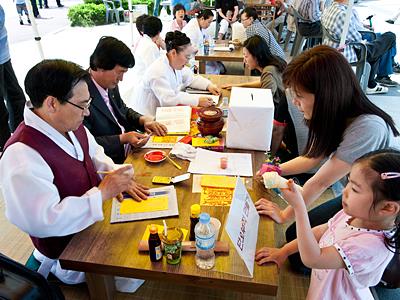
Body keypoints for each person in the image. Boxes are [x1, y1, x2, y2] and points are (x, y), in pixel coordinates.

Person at [0, 59, 149, 287]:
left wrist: (115, 174)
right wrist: (101, 194)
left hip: (92, 223)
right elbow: (45, 221)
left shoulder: (67, 123)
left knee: (147, 231)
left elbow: (95, 155)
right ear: (52, 104)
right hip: (67, 252)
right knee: (139, 265)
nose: (87, 113)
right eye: (82, 105)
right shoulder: (21, 155)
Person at [254, 45, 399, 273]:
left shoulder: (366, 128)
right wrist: (275, 170)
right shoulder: (336, 114)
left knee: (300, 253)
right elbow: (311, 159)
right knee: (298, 238)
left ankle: (381, 267)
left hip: (378, 206)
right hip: (357, 191)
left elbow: (321, 181)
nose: (294, 102)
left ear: (325, 95)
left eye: (300, 96)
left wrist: (283, 215)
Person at [256, 149, 399, 299]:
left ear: (387, 207)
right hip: (324, 288)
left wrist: (299, 208)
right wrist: (284, 251)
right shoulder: (352, 214)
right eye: (348, 182)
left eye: (355, 189)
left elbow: (313, 259)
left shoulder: (369, 246)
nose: (345, 191)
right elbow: (321, 231)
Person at [84, 36, 167, 164]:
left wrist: (143, 120)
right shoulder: (81, 95)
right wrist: (122, 138)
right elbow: (86, 143)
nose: (121, 79)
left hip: (130, 149)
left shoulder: (109, 83)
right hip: (111, 161)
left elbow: (122, 109)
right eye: (119, 72)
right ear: (100, 66)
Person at [132, 31, 221, 116]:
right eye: (187, 56)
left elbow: (191, 79)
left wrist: (209, 85)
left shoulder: (175, 63)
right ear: (173, 53)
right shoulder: (158, 72)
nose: (188, 61)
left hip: (166, 113)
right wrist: (197, 100)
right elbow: (169, 101)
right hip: (151, 118)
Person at [321, 0, 397, 94]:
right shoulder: (343, 14)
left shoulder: (330, 8)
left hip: (337, 47)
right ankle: (372, 82)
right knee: (389, 36)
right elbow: (357, 38)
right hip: (351, 51)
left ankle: (372, 82)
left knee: (379, 45)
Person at [221, 35, 286, 107]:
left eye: (246, 56)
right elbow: (263, 82)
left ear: (257, 56)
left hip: (279, 112)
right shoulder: (273, 60)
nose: (244, 61)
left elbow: (264, 102)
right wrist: (238, 85)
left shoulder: (268, 71)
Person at [0, 4, 26, 153]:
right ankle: (6, 149)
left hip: (4, 55)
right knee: (1, 111)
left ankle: (20, 139)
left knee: (17, 99)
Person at [183, 9, 221, 74]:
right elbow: (190, 48)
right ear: (202, 18)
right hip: (190, 58)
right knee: (214, 69)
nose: (209, 25)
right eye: (209, 22)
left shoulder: (199, 25)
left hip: (198, 54)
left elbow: (207, 39)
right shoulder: (192, 28)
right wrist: (204, 47)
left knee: (216, 65)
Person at [133, 16, 163, 81]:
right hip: (146, 84)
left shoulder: (143, 41)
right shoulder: (150, 46)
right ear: (158, 32)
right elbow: (155, 72)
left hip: (142, 81)